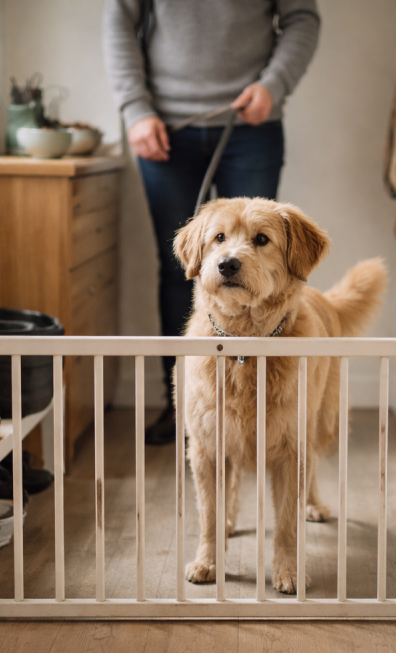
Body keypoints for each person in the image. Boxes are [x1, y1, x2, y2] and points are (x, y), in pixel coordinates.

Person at [103, 0, 320, 444]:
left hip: (253, 122)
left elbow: (302, 18)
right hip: (162, 124)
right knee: (181, 269)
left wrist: (273, 85)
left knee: (264, 264)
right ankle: (185, 402)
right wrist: (134, 108)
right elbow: (119, 21)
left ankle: (268, 407)